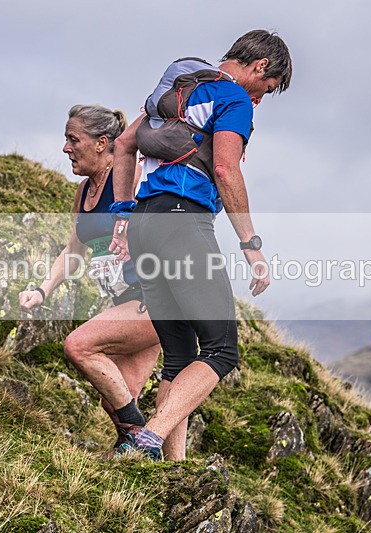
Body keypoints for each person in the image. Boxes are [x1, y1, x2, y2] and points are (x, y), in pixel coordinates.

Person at [108, 30, 293, 459]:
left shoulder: (180, 87)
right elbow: (225, 170)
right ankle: (145, 440)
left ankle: (170, 465)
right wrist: (250, 243)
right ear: (260, 66)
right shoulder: (234, 99)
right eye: (267, 88)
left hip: (143, 224)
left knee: (178, 355)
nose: (261, 99)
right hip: (182, 222)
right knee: (221, 350)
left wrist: (121, 214)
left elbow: (123, 144)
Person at [19, 104, 182, 458]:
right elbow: (73, 250)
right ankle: (161, 463)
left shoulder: (133, 177)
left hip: (156, 296)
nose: (65, 148)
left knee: (78, 346)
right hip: (126, 300)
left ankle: (137, 438)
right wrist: (42, 291)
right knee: (116, 398)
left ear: (101, 143)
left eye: (73, 139)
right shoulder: (83, 192)